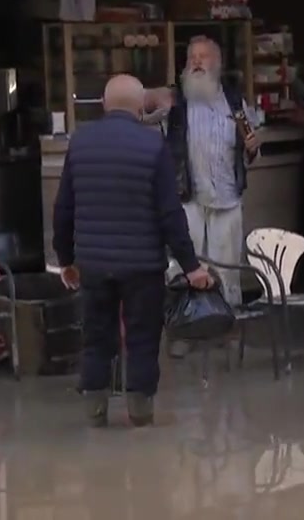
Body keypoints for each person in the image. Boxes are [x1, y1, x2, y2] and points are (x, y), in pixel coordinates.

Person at [53, 74, 214, 428]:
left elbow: (63, 208)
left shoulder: (80, 143)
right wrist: (191, 266)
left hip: (93, 264)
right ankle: (140, 411)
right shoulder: (152, 146)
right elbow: (170, 214)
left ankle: (95, 411)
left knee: (96, 336)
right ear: (141, 107)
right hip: (143, 266)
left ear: (103, 105)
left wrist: (65, 259)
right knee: (142, 337)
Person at [148, 36, 262, 359]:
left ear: (218, 63)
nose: (197, 62)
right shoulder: (175, 101)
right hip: (187, 198)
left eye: (204, 57)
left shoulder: (235, 101)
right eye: (192, 57)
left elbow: (250, 147)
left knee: (227, 269)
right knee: (185, 266)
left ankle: (226, 329)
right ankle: (182, 331)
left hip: (227, 197)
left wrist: (254, 149)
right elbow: (143, 115)